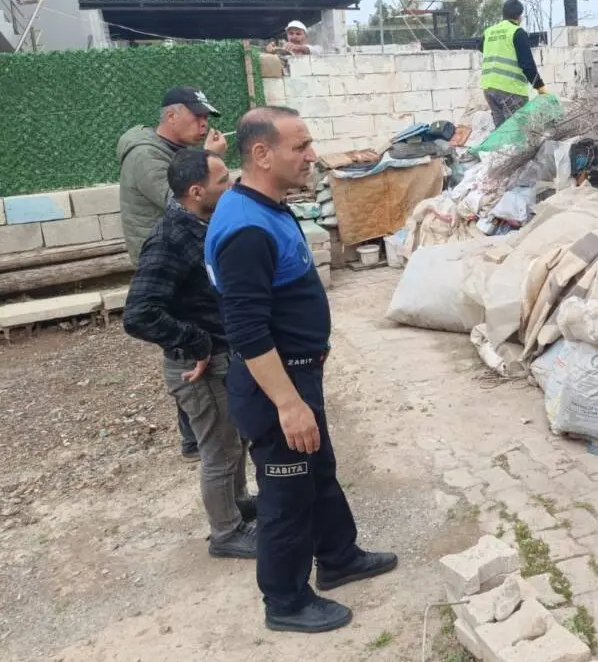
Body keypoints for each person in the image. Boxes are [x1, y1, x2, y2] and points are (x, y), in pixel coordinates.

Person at [205, 106, 396, 633]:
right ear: (262, 154)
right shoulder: (245, 228)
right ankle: (285, 602)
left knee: (319, 470)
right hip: (275, 386)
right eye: (301, 146)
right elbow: (245, 329)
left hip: (297, 372)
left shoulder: (266, 206)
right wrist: (288, 403)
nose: (312, 156)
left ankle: (338, 556)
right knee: (286, 495)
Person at [123, 148, 257, 560]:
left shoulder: (199, 224)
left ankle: (238, 503)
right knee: (218, 449)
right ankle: (226, 532)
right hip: (197, 367)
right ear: (197, 191)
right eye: (223, 181)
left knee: (233, 440)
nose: (232, 185)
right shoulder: (170, 238)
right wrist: (196, 342)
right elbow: (139, 313)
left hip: (220, 357)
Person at [118, 86, 228, 462]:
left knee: (196, 350)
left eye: (206, 118)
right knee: (185, 352)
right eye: (196, 117)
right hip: (166, 260)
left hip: (182, 257)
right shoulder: (145, 155)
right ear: (171, 116)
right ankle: (195, 440)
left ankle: (199, 436)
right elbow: (179, 199)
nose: (203, 124)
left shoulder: (175, 151)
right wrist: (208, 159)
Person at [479, 0, 548, 127]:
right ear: (519, 16)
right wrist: (539, 85)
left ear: (503, 14)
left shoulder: (489, 32)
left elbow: (480, 47)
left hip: (489, 88)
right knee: (516, 130)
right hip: (510, 89)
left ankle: (501, 148)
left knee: (501, 131)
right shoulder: (517, 32)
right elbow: (527, 64)